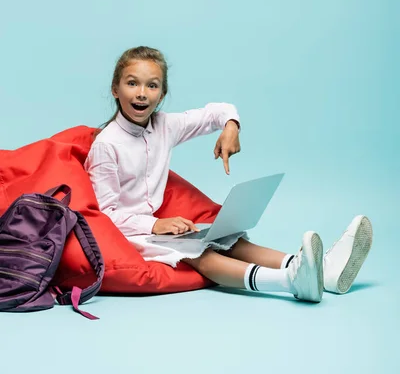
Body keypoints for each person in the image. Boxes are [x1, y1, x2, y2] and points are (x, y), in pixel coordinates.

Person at [84, 46, 372, 303]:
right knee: (201, 255)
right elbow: (104, 214)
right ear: (115, 88)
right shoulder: (108, 145)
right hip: (129, 234)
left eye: (152, 86)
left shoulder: (164, 125)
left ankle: (324, 270)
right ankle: (291, 281)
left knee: (230, 240)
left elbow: (216, 112)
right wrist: (154, 225)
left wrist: (231, 125)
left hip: (158, 228)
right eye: (132, 83)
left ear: (162, 95)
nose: (141, 93)